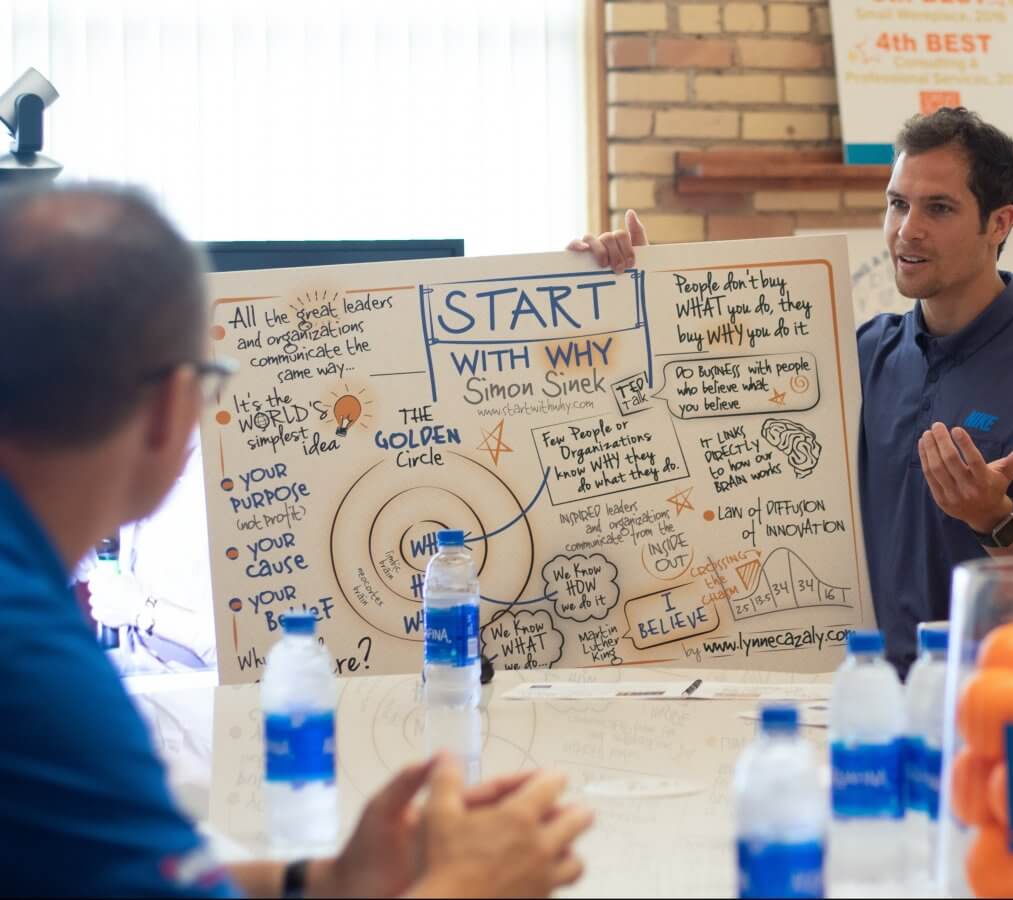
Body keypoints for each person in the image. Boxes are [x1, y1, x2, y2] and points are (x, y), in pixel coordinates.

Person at [0, 184, 592, 897]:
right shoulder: (32, 660)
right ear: (172, 408)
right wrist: (471, 883)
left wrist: (330, 879)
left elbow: (136, 879)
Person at [571, 108, 1013, 673]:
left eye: (938, 208)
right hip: (854, 698)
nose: (907, 230)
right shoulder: (858, 355)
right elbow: (706, 402)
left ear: (1000, 223)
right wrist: (634, 287)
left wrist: (996, 519)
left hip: (999, 713)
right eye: (897, 203)